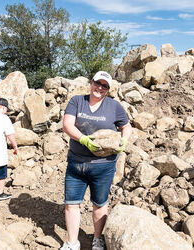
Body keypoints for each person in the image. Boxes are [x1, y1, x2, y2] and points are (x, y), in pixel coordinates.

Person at [61, 71, 132, 250]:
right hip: (76, 164)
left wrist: (123, 141)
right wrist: (83, 139)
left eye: (104, 86)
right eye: (97, 83)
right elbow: (67, 125)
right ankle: (72, 243)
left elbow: (126, 126)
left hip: (103, 166)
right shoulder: (77, 101)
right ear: (91, 83)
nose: (99, 88)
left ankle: (98, 238)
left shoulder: (114, 106)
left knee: (99, 204)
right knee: (71, 204)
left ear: (108, 90)